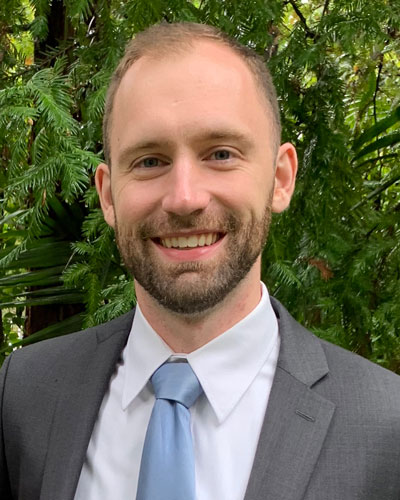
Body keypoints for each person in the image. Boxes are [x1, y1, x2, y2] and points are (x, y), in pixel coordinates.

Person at [1, 22, 400, 500]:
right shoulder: (24, 396)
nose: (184, 198)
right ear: (108, 195)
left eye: (221, 153)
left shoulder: (385, 426)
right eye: (149, 160)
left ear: (279, 179)